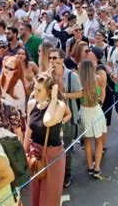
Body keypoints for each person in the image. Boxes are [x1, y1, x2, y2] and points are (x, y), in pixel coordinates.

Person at [24, 74, 70, 206]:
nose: (34, 93)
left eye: (39, 90)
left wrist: (54, 98)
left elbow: (48, 121)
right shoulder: (32, 104)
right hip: (35, 154)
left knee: (49, 199)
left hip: (53, 156)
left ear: (49, 91)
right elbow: (28, 131)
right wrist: (23, 155)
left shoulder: (59, 105)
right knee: (36, 196)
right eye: (35, 88)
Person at [48, 48, 82, 188]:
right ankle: (54, 173)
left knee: (66, 148)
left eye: (55, 58)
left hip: (67, 117)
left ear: (62, 60)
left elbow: (80, 94)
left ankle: (66, 174)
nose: (52, 61)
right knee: (52, 148)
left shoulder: (71, 76)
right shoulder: (48, 76)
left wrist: (63, 95)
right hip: (51, 116)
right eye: (50, 58)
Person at [78, 60, 106, 178]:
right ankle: (97, 167)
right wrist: (100, 102)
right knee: (99, 141)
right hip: (96, 110)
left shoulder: (79, 81)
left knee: (87, 141)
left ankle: (90, 166)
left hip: (84, 111)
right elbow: (103, 93)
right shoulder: (98, 78)